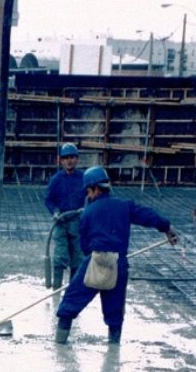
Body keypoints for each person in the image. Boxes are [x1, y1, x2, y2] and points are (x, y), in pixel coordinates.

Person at [55, 166, 178, 345]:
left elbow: (84, 245)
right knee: (115, 310)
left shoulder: (88, 213)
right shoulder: (125, 205)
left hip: (95, 261)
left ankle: (59, 343)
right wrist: (166, 227)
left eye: (89, 191)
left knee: (71, 301)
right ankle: (113, 348)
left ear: (96, 189)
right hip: (118, 264)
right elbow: (148, 216)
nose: (88, 196)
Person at [44, 143, 86, 288]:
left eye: (72, 157)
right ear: (61, 160)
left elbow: (92, 195)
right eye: (66, 158)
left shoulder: (83, 178)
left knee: (77, 257)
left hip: (77, 221)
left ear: (77, 159)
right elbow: (48, 200)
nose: (69, 161)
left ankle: (72, 290)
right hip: (61, 222)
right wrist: (55, 211)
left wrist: (86, 209)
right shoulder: (56, 179)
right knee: (60, 256)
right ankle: (56, 289)